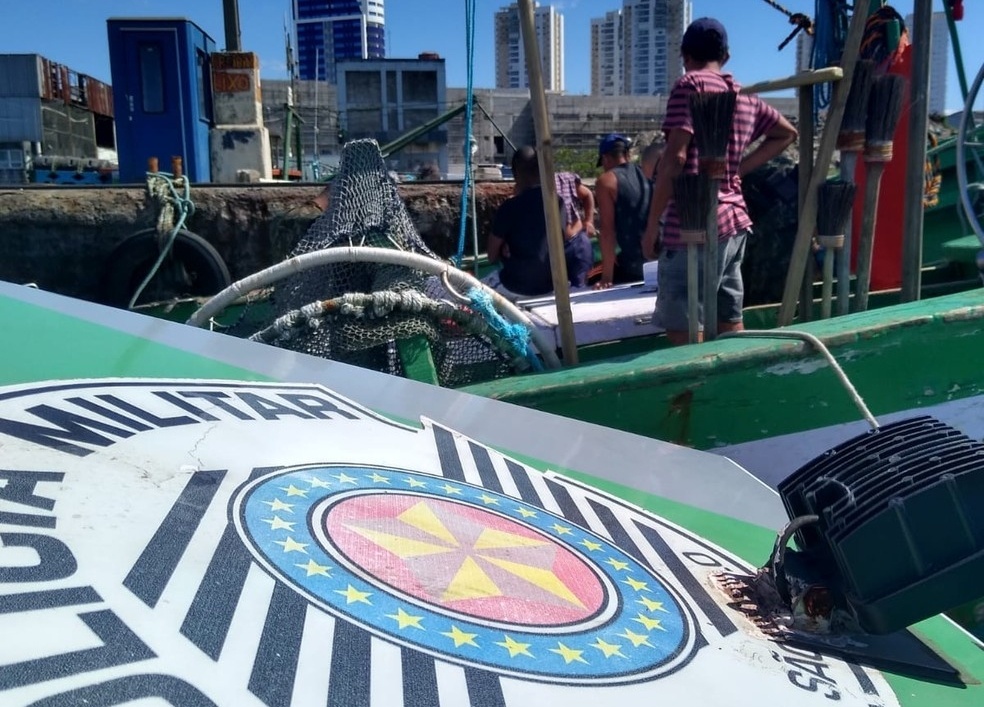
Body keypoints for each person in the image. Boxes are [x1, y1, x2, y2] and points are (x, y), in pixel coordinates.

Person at [642, 17, 797, 345]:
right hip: (735, 222)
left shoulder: (689, 85)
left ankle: (697, 381)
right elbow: (786, 133)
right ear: (725, 56)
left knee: (686, 330)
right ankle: (738, 377)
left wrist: (652, 225)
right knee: (729, 322)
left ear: (684, 55)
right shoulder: (744, 95)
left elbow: (675, 160)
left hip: (692, 225)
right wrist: (738, 169)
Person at [484, 146, 572, 299]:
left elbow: (491, 256)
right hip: (551, 286)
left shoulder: (510, 207)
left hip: (516, 287)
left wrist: (504, 247)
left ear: (515, 174)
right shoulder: (557, 202)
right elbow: (564, 238)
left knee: (470, 292)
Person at [595, 134, 653, 288]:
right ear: (627, 154)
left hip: (635, 266)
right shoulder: (647, 171)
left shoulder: (606, 181)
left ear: (605, 158)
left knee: (590, 273)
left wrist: (606, 278)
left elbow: (607, 231)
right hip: (662, 259)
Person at [554, 170, 595, 288]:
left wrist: (589, 221)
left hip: (576, 243)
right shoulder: (525, 186)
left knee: (581, 289)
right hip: (548, 251)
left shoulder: (564, 180)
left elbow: (587, 194)